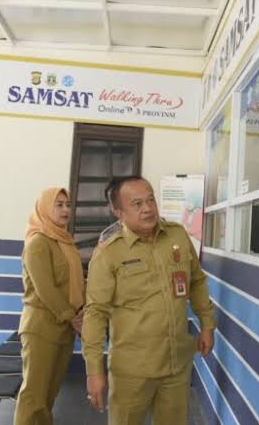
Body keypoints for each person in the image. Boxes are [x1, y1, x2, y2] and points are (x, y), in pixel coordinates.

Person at [83, 176, 216, 425]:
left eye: (151, 200)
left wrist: (207, 324)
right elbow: (95, 313)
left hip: (176, 365)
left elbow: (196, 281)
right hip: (132, 372)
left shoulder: (177, 235)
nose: (147, 208)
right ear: (118, 212)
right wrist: (94, 370)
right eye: (137, 204)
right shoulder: (109, 253)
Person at [14, 187, 85, 425]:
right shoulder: (38, 242)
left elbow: (74, 284)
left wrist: (80, 313)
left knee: (48, 397)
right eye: (59, 204)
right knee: (33, 398)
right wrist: (73, 318)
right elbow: (45, 289)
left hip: (64, 327)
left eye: (68, 204)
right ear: (44, 208)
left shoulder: (64, 241)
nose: (66, 210)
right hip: (42, 328)